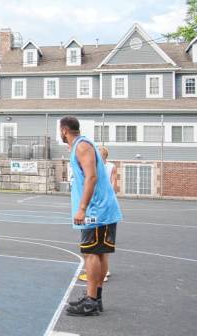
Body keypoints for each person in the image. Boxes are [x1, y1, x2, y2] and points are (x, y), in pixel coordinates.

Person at [59, 116, 122, 317]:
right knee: (99, 252)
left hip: (96, 210)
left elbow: (92, 176)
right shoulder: (82, 145)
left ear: (64, 130)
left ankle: (91, 301)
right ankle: (94, 298)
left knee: (91, 253)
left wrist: (82, 208)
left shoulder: (82, 146)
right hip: (101, 209)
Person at [79, 145, 117, 283]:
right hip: (105, 206)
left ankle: (98, 275)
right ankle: (103, 273)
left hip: (98, 208)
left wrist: (83, 207)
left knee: (91, 249)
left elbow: (97, 183)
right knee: (101, 247)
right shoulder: (108, 166)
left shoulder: (96, 168)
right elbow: (113, 184)